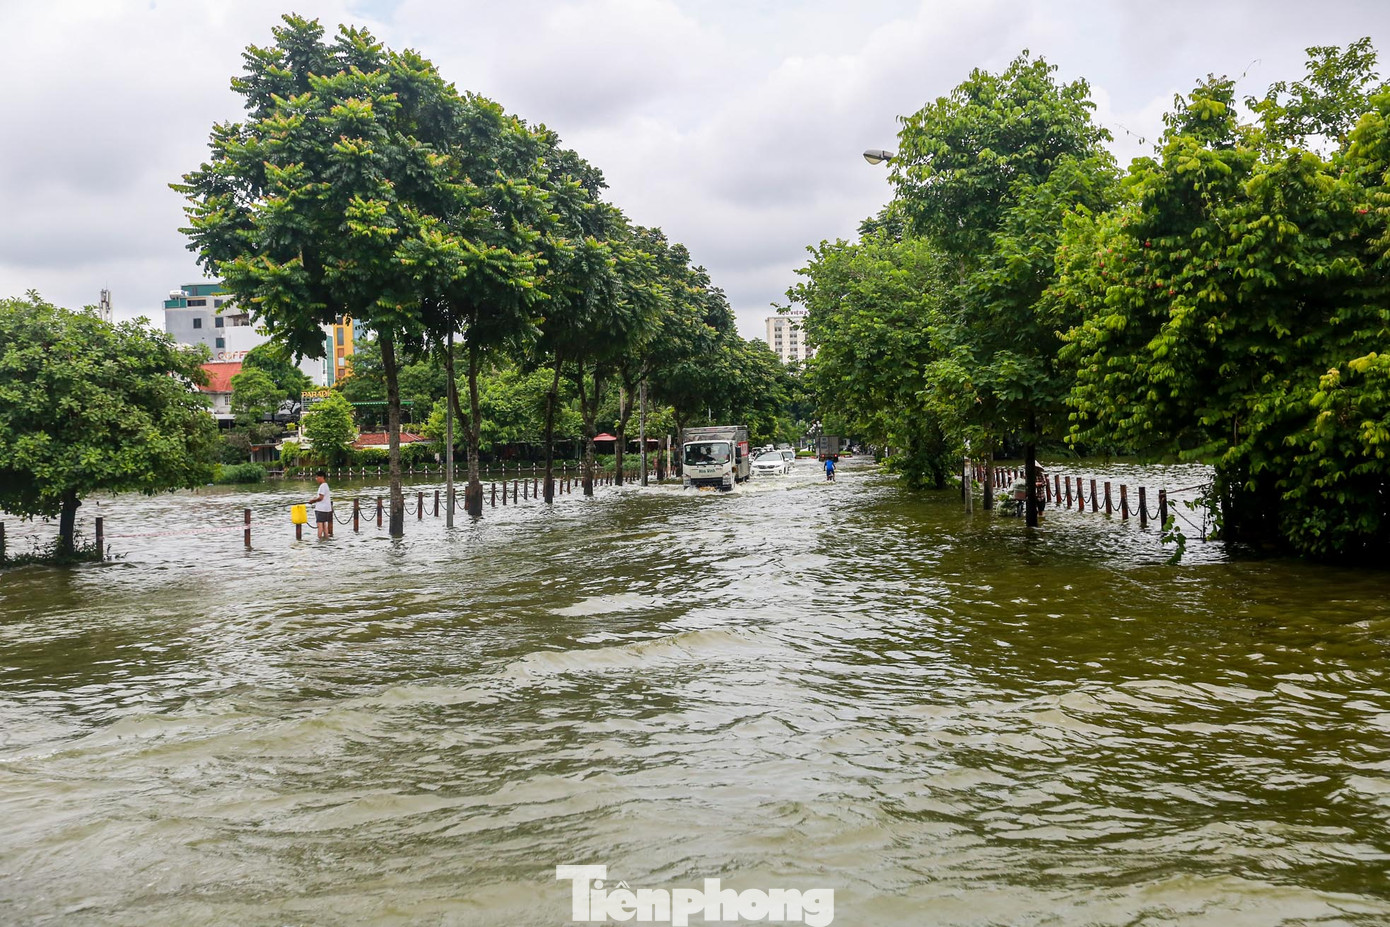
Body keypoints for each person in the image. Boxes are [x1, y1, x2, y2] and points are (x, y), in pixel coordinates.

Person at [310, 471, 332, 539]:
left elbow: (321, 498)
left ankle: (319, 540)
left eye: (317, 477)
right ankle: (326, 538)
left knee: (319, 525)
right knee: (324, 525)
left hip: (321, 509)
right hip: (326, 509)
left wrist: (313, 501)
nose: (316, 479)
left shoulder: (322, 486)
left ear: (322, 477)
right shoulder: (326, 485)